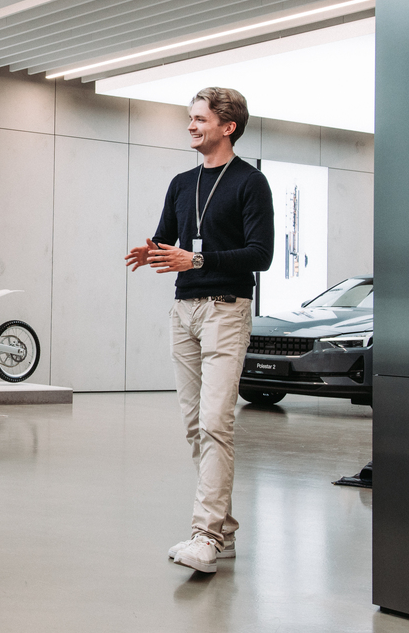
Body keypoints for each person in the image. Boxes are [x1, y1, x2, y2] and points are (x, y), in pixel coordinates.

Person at [124, 87, 272, 574]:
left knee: (215, 423)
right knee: (195, 426)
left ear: (228, 127)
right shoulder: (181, 183)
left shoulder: (251, 182)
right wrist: (152, 250)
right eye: (190, 118)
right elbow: (168, 238)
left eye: (200, 119)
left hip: (226, 311)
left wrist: (199, 259)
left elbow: (261, 254)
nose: (191, 126)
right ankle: (222, 532)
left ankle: (205, 535)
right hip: (183, 311)